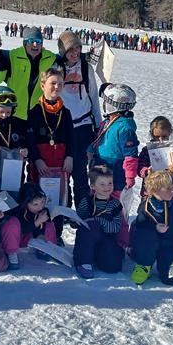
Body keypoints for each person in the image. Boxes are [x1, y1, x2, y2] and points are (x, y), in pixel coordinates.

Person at [87, 83, 139, 248]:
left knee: (117, 209)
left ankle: (121, 241)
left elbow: (131, 155)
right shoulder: (108, 122)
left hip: (116, 173)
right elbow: (99, 139)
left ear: (114, 105)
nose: (104, 104)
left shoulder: (124, 127)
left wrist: (130, 177)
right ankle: (98, 236)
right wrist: (90, 151)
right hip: (100, 169)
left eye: (106, 101)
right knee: (97, 204)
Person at [26, 67, 74, 242]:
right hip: (41, 165)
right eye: (53, 83)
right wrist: (37, 160)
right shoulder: (35, 112)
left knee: (59, 200)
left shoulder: (65, 112)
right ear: (43, 85)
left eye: (60, 84)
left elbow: (72, 137)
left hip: (60, 165)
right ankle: (38, 234)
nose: (56, 87)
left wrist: (70, 156)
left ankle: (56, 234)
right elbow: (30, 140)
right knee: (38, 199)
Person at [56, 31, 102, 208]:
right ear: (63, 51)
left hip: (83, 125)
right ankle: (65, 209)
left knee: (80, 171)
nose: (75, 53)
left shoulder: (85, 68)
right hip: (62, 126)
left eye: (78, 48)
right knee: (63, 170)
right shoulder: (56, 67)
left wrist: (98, 125)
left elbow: (93, 96)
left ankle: (83, 209)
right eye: (70, 49)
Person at [129, 170, 173, 286]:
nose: (172, 191)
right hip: (148, 244)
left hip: (168, 244)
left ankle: (166, 265)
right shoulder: (145, 206)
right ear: (154, 190)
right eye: (168, 189)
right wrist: (155, 227)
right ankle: (144, 265)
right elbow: (140, 225)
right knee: (145, 236)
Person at [73, 165, 124, 279]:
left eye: (110, 183)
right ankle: (83, 261)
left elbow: (116, 227)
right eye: (102, 184)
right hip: (87, 239)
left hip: (106, 238)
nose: (107, 187)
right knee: (90, 226)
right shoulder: (87, 202)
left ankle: (100, 254)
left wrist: (100, 220)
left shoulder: (115, 204)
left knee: (113, 267)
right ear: (93, 186)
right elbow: (77, 220)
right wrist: (75, 220)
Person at [0, 182, 58, 269]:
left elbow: (42, 227)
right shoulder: (18, 211)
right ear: (25, 203)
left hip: (31, 239)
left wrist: (40, 235)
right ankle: (12, 253)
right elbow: (23, 229)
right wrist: (38, 221)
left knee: (49, 226)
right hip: (16, 238)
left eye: (42, 202)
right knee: (11, 224)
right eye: (35, 204)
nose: (40, 207)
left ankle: (48, 249)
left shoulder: (42, 211)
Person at [8, 27, 58, 120]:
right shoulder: (13, 56)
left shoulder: (50, 58)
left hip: (38, 113)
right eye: (31, 41)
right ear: (25, 43)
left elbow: (66, 58)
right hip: (15, 113)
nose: (35, 44)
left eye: (38, 41)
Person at [136, 116, 173, 201]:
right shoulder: (147, 151)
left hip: (171, 193)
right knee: (148, 209)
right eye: (157, 136)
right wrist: (146, 171)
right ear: (152, 134)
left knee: (172, 210)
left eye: (164, 136)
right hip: (151, 193)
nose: (160, 140)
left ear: (170, 133)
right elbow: (139, 167)